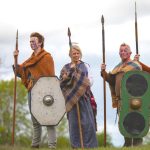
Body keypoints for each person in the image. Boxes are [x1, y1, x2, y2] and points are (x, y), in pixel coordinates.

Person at [13, 32, 57, 149]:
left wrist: (50, 92)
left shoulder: (47, 57)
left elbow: (51, 77)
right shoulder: (31, 59)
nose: (31, 44)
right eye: (30, 42)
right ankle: (35, 145)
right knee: (35, 121)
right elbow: (19, 71)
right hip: (32, 90)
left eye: (33, 41)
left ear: (40, 42)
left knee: (49, 120)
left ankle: (52, 146)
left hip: (45, 93)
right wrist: (15, 59)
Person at [101, 43, 142, 147]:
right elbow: (111, 80)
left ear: (130, 53)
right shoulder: (118, 67)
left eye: (125, 50)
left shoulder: (135, 65)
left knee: (135, 121)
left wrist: (136, 60)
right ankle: (127, 144)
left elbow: (141, 80)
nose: (122, 52)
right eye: (121, 51)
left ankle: (137, 145)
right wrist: (103, 72)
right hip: (121, 101)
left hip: (133, 99)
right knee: (124, 122)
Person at [60, 44, 98, 149]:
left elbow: (90, 80)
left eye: (77, 53)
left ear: (80, 54)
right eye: (74, 53)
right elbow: (62, 82)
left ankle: (89, 145)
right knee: (74, 124)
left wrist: (80, 85)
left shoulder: (85, 66)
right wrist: (69, 78)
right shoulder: (66, 67)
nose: (76, 55)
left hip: (84, 97)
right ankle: (76, 145)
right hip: (72, 100)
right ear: (70, 55)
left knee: (87, 122)